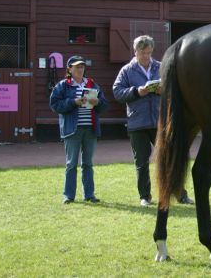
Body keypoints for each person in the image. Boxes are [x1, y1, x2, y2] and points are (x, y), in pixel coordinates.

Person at [113, 35, 194, 207]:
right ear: (135, 52)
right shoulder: (127, 70)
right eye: (143, 53)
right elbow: (117, 92)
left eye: (149, 53)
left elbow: (176, 89)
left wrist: (163, 91)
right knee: (141, 163)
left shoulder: (160, 67)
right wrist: (137, 92)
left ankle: (181, 194)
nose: (146, 56)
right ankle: (145, 196)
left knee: (170, 158)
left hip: (161, 121)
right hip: (138, 123)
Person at [50, 55, 109, 204]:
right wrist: (73, 102)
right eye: (77, 67)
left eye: (82, 66)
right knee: (71, 164)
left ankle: (89, 195)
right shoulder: (63, 85)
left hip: (90, 129)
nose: (80, 69)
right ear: (69, 69)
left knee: (88, 163)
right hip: (72, 130)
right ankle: (69, 196)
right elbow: (55, 105)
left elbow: (105, 105)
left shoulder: (92, 84)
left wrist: (98, 102)